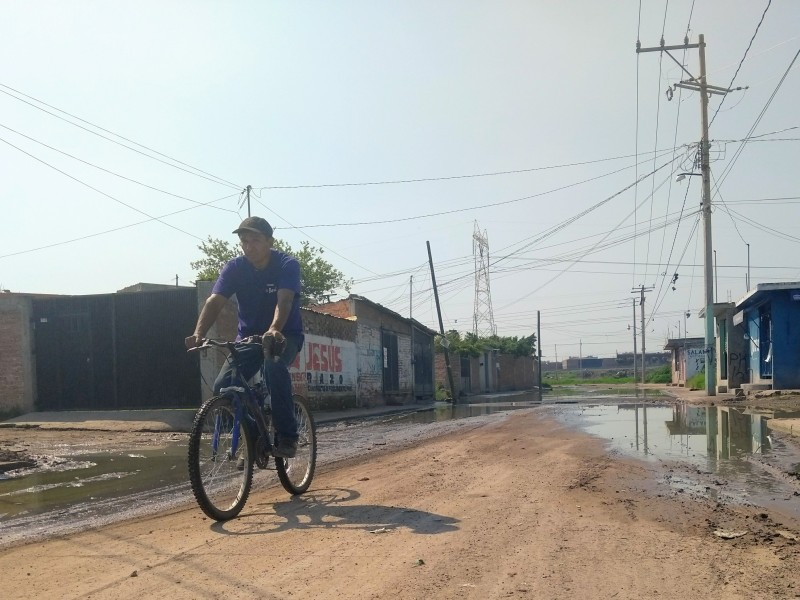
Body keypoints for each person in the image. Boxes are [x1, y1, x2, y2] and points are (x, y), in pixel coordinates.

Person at [185, 216, 304, 458]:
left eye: (255, 240)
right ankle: (255, 438)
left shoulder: (286, 265)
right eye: (244, 241)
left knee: (273, 366)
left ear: (270, 241)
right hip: (248, 338)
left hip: (284, 334)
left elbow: (285, 300)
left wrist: (274, 329)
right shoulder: (235, 268)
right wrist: (199, 333)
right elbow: (214, 302)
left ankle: (288, 436)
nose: (249, 246)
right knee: (223, 387)